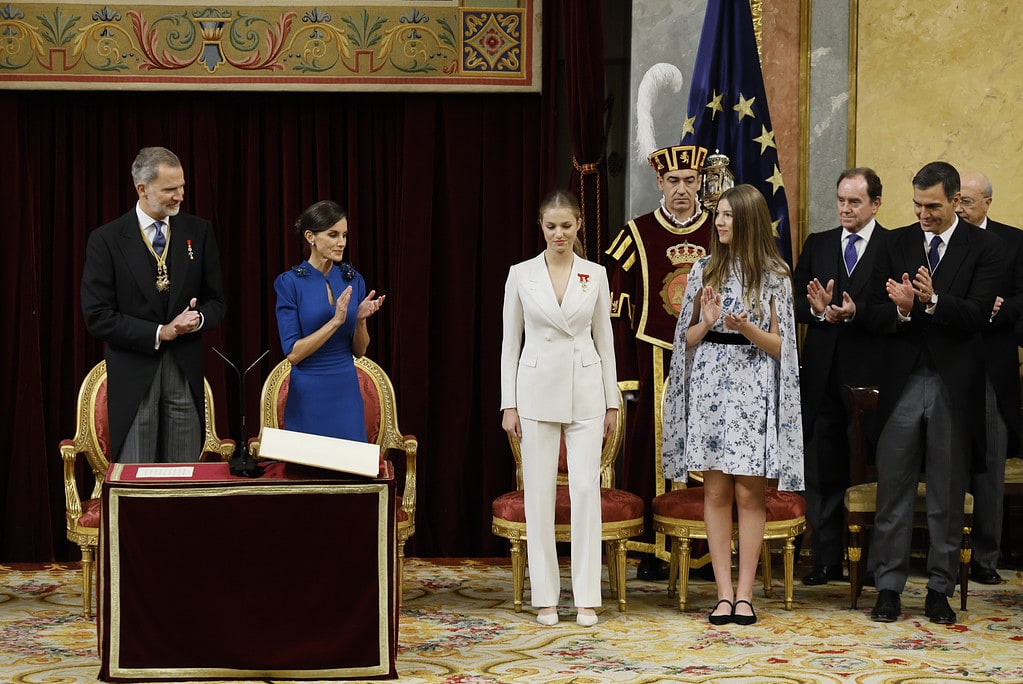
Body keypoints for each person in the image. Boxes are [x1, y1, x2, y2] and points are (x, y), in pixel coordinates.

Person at [661, 184, 803, 626]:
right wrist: (705, 323)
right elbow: (681, 344)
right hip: (710, 387)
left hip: (752, 385)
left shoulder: (775, 274)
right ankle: (722, 595)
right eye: (718, 215)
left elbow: (784, 347)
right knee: (717, 489)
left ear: (749, 221)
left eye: (728, 216)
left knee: (748, 491)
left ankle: (746, 596)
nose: (720, 222)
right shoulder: (703, 270)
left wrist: (748, 330)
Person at [866, 161, 1001, 625]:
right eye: (918, 205)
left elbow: (979, 315)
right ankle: (887, 585)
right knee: (894, 488)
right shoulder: (895, 242)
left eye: (934, 207)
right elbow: (873, 313)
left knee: (947, 491)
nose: (924, 214)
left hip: (953, 383)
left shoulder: (986, 246)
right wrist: (902, 311)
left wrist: (932, 301)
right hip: (903, 379)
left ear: (956, 202)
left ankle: (940, 588)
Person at [500, 189, 619, 627]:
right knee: (539, 495)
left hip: (586, 391)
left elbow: (605, 341)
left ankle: (587, 596)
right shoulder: (520, 274)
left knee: (586, 492)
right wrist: (507, 403)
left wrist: (612, 403)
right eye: (551, 226)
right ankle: (546, 598)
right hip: (533, 392)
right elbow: (509, 344)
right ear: (541, 227)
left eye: (566, 226)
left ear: (578, 226)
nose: (559, 234)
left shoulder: (596, 274)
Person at [604, 143, 713, 579]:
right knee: (653, 449)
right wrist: (626, 378)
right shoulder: (636, 232)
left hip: (712, 356)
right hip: (653, 355)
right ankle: (652, 550)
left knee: (707, 448)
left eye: (689, 180)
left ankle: (707, 550)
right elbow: (617, 311)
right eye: (673, 181)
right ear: (659, 184)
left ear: (701, 182)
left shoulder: (722, 228)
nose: (682, 189)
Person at [81, 146, 226, 463]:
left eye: (182, 186)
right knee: (138, 480)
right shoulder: (106, 240)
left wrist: (197, 319)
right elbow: (98, 317)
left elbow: (216, 301)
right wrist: (161, 331)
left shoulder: (198, 232)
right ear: (142, 189)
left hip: (184, 373)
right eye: (170, 189)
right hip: (134, 376)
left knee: (182, 479)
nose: (180, 196)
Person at [792, 168, 889, 586]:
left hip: (872, 380)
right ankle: (827, 558)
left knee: (869, 470)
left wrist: (856, 312)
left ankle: (869, 564)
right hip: (821, 377)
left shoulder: (894, 245)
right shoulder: (819, 243)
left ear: (875, 204)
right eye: (841, 201)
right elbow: (793, 303)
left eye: (854, 202)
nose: (845, 209)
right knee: (823, 469)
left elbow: (900, 313)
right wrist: (817, 311)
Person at [956, 170, 1023, 585]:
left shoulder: (1013, 241)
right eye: (956, 200)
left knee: (990, 464)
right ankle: (949, 552)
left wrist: (1004, 307)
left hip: (993, 367)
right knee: (949, 461)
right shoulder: (944, 241)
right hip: (951, 364)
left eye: (966, 200)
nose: (960, 207)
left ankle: (985, 556)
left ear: (987, 203)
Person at [274, 201, 385, 442]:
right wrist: (335, 322)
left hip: (346, 393)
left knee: (350, 474)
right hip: (308, 395)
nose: (341, 243)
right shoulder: (289, 283)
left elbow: (359, 351)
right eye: (333, 235)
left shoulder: (353, 279)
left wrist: (361, 319)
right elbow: (293, 354)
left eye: (344, 235)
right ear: (310, 237)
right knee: (308, 475)